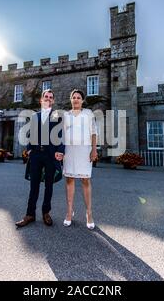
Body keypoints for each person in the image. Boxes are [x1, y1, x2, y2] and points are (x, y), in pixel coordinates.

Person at [15, 89, 64, 228]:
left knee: (49, 186)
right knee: (33, 186)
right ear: (41, 100)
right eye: (46, 97)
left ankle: (46, 213)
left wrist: (60, 151)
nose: (48, 99)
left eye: (50, 97)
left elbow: (61, 136)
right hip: (36, 154)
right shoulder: (35, 116)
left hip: (50, 155)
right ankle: (30, 214)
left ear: (53, 101)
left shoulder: (57, 116)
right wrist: (29, 149)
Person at [62, 89, 98, 230]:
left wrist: (94, 149)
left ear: (82, 100)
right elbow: (62, 135)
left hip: (85, 150)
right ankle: (69, 211)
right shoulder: (66, 115)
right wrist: (60, 152)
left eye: (78, 97)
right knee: (69, 179)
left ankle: (89, 213)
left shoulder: (88, 113)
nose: (76, 99)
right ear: (71, 100)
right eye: (74, 97)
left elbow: (94, 132)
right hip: (69, 151)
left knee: (85, 180)